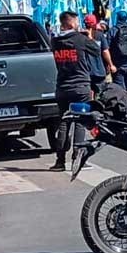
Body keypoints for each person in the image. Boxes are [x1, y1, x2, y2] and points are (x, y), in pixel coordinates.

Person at [48, 11, 100, 170]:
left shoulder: (55, 41)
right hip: (80, 87)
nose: (79, 25)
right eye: (77, 22)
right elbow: (96, 51)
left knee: (64, 123)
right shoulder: (80, 39)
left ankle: (60, 160)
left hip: (63, 87)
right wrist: (88, 36)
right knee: (80, 122)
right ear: (71, 24)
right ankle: (77, 158)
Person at [83, 15, 109, 94]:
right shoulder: (100, 35)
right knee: (101, 94)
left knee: (89, 93)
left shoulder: (80, 36)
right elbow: (105, 51)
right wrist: (110, 64)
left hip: (86, 70)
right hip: (99, 69)